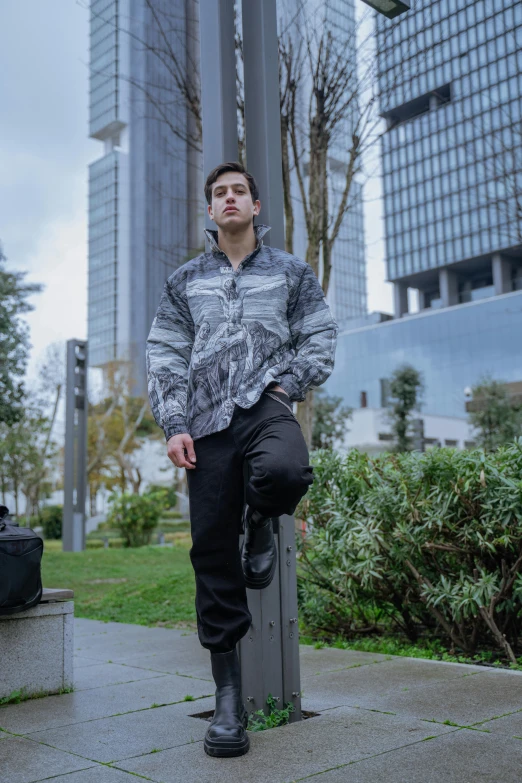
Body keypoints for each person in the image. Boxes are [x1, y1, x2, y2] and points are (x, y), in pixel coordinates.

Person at [146, 161, 338, 758]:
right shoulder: (184, 281)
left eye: (238, 191)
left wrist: (287, 386)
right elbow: (165, 354)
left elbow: (320, 336)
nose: (228, 199)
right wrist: (175, 423)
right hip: (204, 423)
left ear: (256, 207)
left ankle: (259, 522)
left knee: (285, 472)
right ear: (211, 211)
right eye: (218, 193)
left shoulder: (291, 273)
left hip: (266, 406)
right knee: (210, 553)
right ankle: (227, 703)